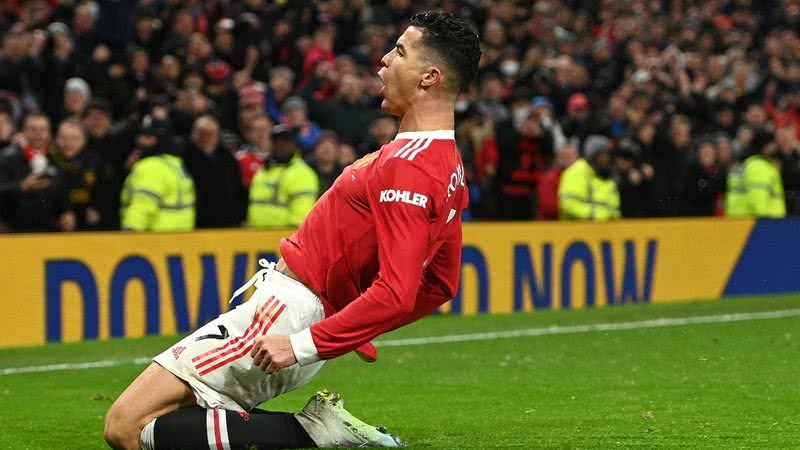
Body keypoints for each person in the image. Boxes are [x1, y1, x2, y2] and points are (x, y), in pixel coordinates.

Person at [105, 11, 480, 450]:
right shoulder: (448, 165)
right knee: (178, 420)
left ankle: (317, 432)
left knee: (126, 426)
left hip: (286, 315)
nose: (382, 60)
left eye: (399, 51)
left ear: (429, 77)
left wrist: (306, 342)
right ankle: (314, 432)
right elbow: (439, 283)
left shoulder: (409, 167)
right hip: (300, 318)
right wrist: (346, 327)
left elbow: (399, 291)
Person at [0, 113, 75, 232]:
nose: (38, 134)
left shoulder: (58, 159)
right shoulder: (6, 158)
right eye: (33, 129)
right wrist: (21, 186)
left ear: (49, 134)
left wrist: (67, 213)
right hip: (12, 233)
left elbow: (63, 194)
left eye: (43, 129)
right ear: (23, 131)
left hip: (49, 234)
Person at [120, 115, 196, 232]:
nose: (141, 140)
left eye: (148, 137)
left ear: (161, 139)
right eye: (140, 135)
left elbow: (142, 207)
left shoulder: (150, 167)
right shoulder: (175, 163)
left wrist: (129, 236)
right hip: (181, 240)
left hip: (152, 241)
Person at [246, 125, 319, 228]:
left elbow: (300, 216)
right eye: (276, 141)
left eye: (285, 141)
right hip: (254, 236)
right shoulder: (263, 170)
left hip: (281, 237)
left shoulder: (302, 173)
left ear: (294, 145)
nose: (280, 144)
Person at [183, 115, 247, 229]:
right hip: (196, 222)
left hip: (227, 221)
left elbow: (238, 189)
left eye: (210, 133)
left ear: (217, 135)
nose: (206, 137)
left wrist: (241, 216)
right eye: (202, 133)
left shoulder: (228, 159)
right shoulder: (185, 158)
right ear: (194, 134)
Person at [558, 135, 620, 221]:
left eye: (608, 156)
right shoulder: (576, 171)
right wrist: (597, 215)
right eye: (602, 155)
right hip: (576, 230)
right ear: (592, 155)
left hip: (606, 230)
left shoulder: (608, 176)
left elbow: (614, 207)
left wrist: (613, 218)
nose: (606, 159)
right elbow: (569, 204)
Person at [725, 130, 786, 218]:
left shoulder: (746, 164)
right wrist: (765, 220)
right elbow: (758, 196)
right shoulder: (759, 166)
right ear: (766, 146)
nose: (775, 147)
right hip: (762, 222)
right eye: (773, 144)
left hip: (741, 220)